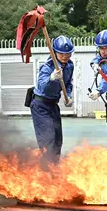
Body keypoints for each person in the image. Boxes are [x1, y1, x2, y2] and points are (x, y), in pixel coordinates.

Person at [30, 36, 75, 164]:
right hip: (40, 105)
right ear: (54, 52)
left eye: (68, 53)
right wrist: (52, 77)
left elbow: (68, 84)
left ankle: (54, 168)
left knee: (57, 140)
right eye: (61, 53)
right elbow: (42, 86)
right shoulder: (48, 67)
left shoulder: (70, 66)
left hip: (53, 105)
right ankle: (46, 171)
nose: (65, 56)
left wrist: (69, 96)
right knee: (47, 140)